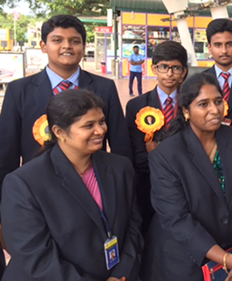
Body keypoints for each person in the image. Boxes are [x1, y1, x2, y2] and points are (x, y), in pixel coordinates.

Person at [140, 73, 232, 281]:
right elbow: (176, 218)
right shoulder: (166, 154)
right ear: (186, 110)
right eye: (203, 104)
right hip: (183, 262)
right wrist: (225, 259)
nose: (214, 110)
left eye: (218, 101)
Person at [0, 90, 143, 280]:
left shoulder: (119, 167)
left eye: (101, 121)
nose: (100, 130)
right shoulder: (24, 183)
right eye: (88, 125)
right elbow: (34, 255)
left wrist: (122, 273)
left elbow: (133, 227)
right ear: (59, 132)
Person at [0, 14, 132, 192]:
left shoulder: (105, 87)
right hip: (39, 189)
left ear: (84, 47)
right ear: (43, 46)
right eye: (57, 40)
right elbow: (7, 153)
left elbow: (120, 145)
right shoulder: (19, 91)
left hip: (93, 187)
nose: (67, 46)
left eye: (75, 41)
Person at [125, 41, 188, 235]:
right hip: (149, 185)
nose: (169, 74)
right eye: (163, 67)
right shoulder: (136, 106)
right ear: (154, 69)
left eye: (175, 68)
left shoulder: (192, 104)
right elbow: (136, 153)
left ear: (184, 71)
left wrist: (157, 152)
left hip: (186, 185)